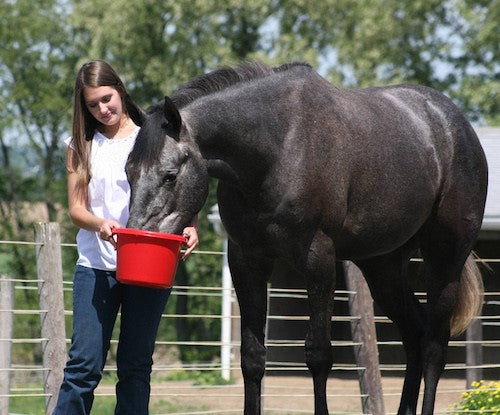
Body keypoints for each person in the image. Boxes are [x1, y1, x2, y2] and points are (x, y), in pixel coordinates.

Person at [53, 60, 199, 415]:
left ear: (119, 89)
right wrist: (99, 223)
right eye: (92, 104)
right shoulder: (81, 145)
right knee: (83, 368)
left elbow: (179, 184)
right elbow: (76, 208)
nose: (103, 109)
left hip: (150, 264)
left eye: (107, 98)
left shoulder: (151, 138)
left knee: (135, 367)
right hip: (96, 268)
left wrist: (192, 224)